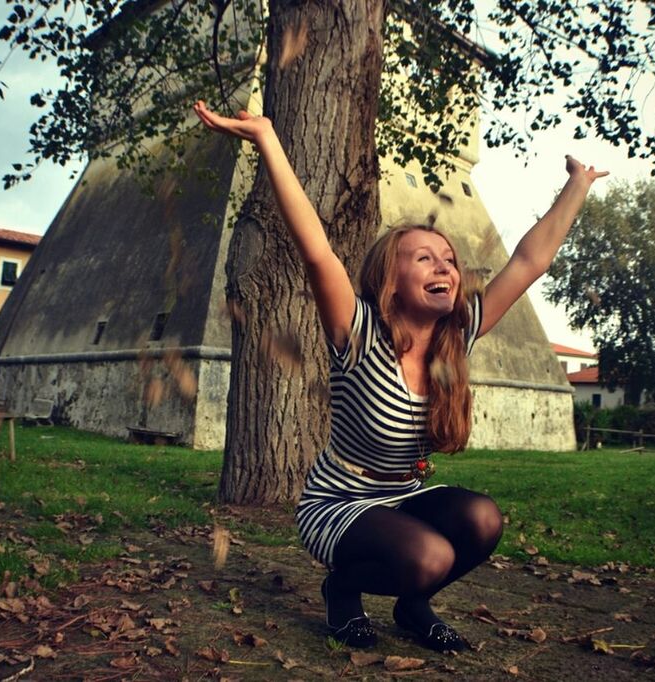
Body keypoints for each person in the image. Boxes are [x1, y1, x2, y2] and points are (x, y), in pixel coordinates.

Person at [195, 100, 608, 651]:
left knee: (483, 519)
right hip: (338, 504)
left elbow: (529, 262)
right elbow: (316, 250)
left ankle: (413, 607)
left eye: (448, 259)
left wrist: (577, 185)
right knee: (429, 555)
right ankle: (342, 589)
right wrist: (267, 138)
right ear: (390, 282)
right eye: (425, 259)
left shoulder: (456, 336)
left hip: (401, 498)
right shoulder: (359, 330)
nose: (445, 267)